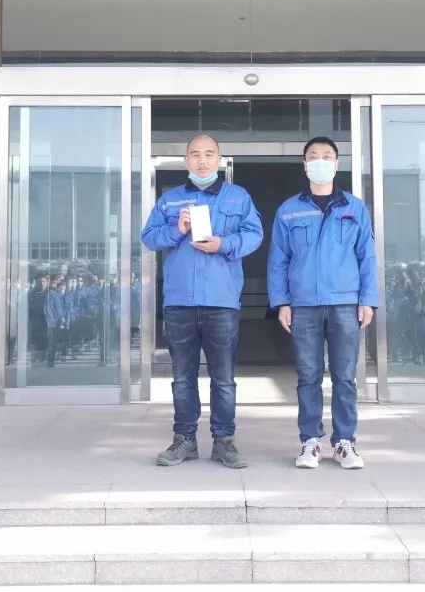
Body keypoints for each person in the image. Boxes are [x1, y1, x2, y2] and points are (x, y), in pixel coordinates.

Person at [140, 133, 263, 468]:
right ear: (186, 161)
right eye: (195, 154)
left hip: (222, 301)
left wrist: (223, 244)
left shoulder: (238, 197)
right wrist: (176, 230)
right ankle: (185, 440)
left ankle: (224, 441)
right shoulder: (170, 201)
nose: (202, 160)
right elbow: (149, 237)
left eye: (209, 154)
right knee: (182, 377)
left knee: (223, 378)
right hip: (180, 302)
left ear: (219, 160)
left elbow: (254, 234)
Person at [267, 136, 378, 470]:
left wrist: (367, 300)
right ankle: (310, 441)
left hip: (345, 303)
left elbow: (367, 257)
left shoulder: (354, 208)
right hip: (304, 306)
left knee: (345, 377)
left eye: (327, 156)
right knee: (308, 376)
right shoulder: (289, 210)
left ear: (337, 163)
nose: (320, 161)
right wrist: (282, 302)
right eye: (313, 156)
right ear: (304, 165)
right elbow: (278, 260)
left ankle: (345, 443)